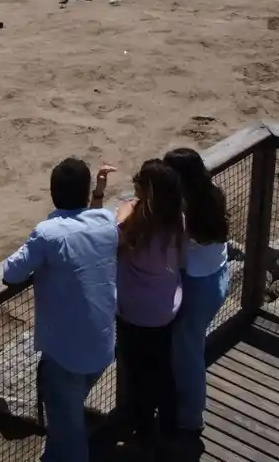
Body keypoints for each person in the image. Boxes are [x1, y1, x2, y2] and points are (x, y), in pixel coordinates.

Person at [2, 158, 119, 462]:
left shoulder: (48, 233)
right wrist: (98, 196)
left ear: (53, 193)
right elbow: (90, 221)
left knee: (69, 436)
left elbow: (12, 272)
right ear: (85, 194)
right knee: (65, 419)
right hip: (103, 345)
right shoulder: (106, 221)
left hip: (66, 357)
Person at [115, 158, 185, 447]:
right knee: (163, 370)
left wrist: (127, 206)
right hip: (166, 311)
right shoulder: (178, 221)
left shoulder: (133, 226)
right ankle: (169, 429)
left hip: (135, 314)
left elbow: (114, 233)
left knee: (138, 377)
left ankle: (143, 435)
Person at [165, 146, 231, 436]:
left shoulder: (182, 213)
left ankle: (191, 419)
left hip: (196, 288)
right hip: (218, 276)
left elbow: (174, 252)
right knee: (189, 347)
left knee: (188, 355)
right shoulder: (214, 193)